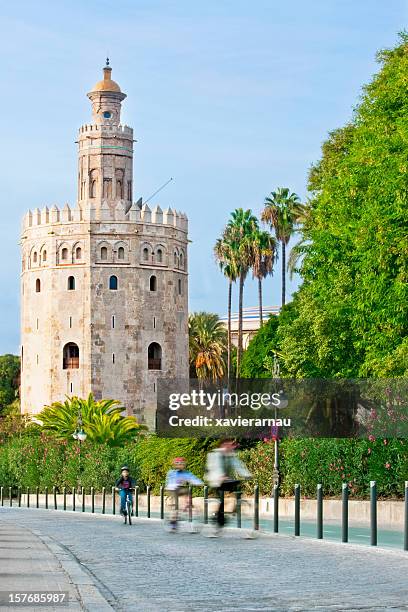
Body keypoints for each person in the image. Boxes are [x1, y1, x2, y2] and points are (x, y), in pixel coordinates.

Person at [205, 439, 251, 533]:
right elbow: (214, 467)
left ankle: (235, 507)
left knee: (238, 486)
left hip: (226, 480)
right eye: (227, 445)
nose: (230, 447)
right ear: (222, 445)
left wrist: (247, 474)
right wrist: (220, 475)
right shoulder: (214, 455)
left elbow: (238, 466)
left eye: (230, 445)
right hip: (215, 480)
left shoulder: (231, 455)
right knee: (221, 500)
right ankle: (219, 519)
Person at [165, 457, 203, 531]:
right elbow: (171, 481)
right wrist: (176, 482)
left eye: (182, 464)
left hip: (180, 488)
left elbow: (193, 478)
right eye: (178, 464)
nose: (180, 465)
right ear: (175, 465)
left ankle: (188, 504)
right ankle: (173, 521)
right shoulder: (172, 472)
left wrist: (200, 483)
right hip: (172, 489)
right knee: (175, 506)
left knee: (187, 491)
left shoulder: (186, 473)